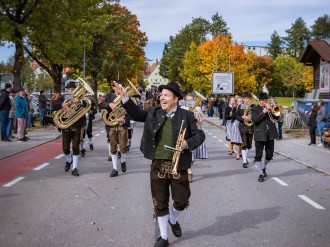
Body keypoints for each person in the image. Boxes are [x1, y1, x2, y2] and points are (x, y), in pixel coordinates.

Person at [117, 81, 205, 247]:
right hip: (158, 162)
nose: (162, 98)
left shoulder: (187, 116)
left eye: (166, 95)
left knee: (182, 200)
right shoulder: (153, 112)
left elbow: (200, 136)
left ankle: (173, 219)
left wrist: (186, 143)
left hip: (179, 164)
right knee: (160, 201)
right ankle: (164, 237)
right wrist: (124, 98)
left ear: (175, 99)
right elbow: (136, 114)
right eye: (161, 95)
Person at [52, 80, 88, 176]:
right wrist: (62, 104)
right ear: (66, 90)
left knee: (76, 146)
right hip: (66, 125)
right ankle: (68, 160)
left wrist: (79, 101)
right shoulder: (62, 98)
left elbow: (89, 104)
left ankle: (75, 168)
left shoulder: (80, 97)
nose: (71, 90)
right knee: (65, 148)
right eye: (69, 89)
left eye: (73, 89)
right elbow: (53, 106)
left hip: (77, 124)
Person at [100, 81, 130, 177]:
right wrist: (109, 104)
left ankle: (123, 160)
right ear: (113, 88)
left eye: (119, 87)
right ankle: (114, 169)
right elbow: (101, 105)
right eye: (115, 87)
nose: (117, 88)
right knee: (113, 147)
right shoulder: (109, 96)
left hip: (122, 125)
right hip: (111, 125)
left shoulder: (126, 97)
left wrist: (124, 120)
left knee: (123, 147)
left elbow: (131, 113)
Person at [251, 92, 279, 182]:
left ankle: (263, 167)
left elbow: (277, 117)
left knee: (269, 155)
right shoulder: (255, 109)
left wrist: (272, 109)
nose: (264, 101)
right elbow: (255, 120)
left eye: (265, 100)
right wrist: (263, 112)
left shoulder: (270, 108)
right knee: (258, 155)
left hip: (270, 134)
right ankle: (261, 174)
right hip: (260, 134)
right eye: (263, 100)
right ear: (259, 100)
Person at [236, 92, 255, 168]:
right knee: (244, 143)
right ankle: (244, 161)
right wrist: (242, 117)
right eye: (244, 98)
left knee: (249, 145)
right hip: (243, 127)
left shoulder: (253, 106)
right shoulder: (241, 106)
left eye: (247, 98)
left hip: (251, 127)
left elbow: (256, 116)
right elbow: (237, 116)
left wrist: (250, 117)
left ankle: (245, 158)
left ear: (249, 99)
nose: (246, 100)